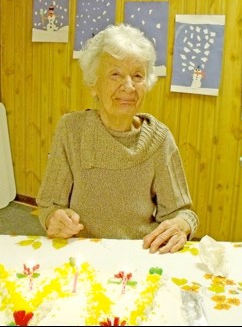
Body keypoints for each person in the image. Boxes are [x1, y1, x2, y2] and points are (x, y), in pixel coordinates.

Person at [36, 24, 198, 254]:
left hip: (140, 254)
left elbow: (183, 213)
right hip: (81, 253)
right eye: (115, 74)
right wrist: (53, 218)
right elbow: (49, 204)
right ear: (94, 84)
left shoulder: (159, 139)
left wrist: (181, 226)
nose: (129, 86)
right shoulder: (71, 130)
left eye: (138, 75)